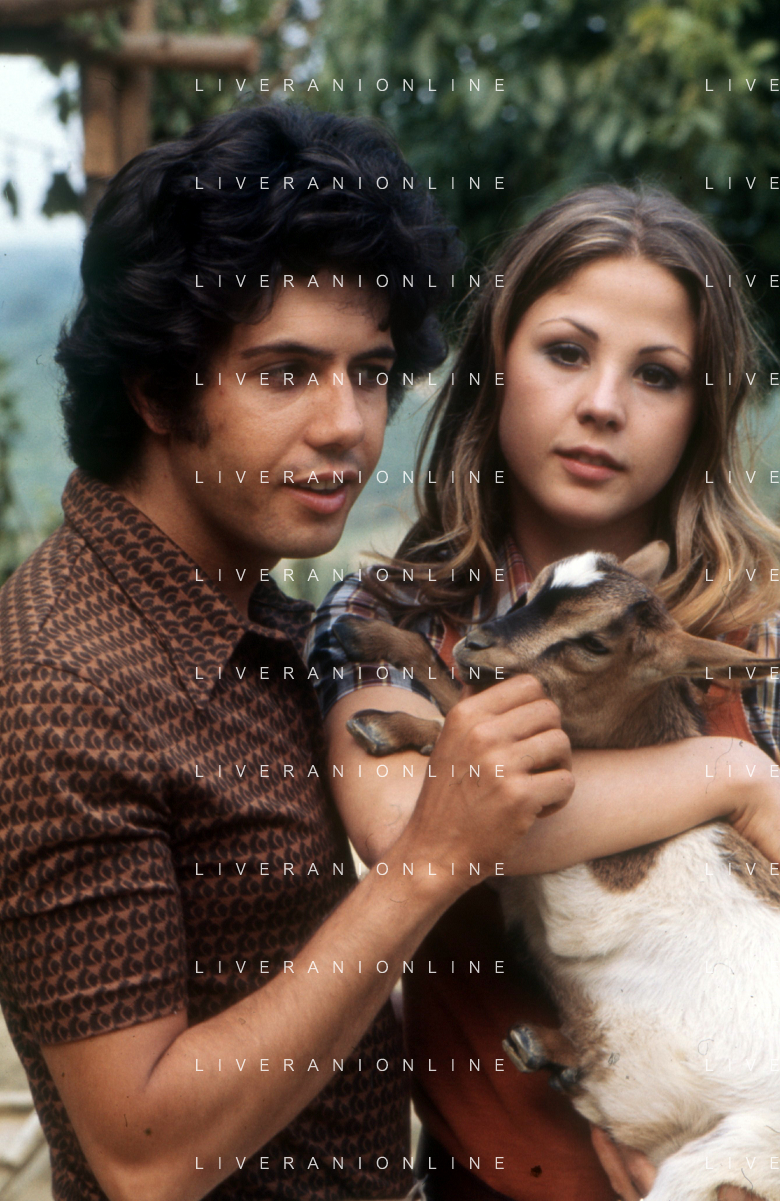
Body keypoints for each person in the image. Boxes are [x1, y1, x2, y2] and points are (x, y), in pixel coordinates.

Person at [0, 102, 587, 1201]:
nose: (347, 425)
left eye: (370, 371)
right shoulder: (63, 680)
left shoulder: (241, 614)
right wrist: (427, 862)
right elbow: (144, 1156)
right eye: (285, 371)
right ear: (159, 388)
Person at [309, 183, 780, 1201]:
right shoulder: (391, 614)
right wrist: (732, 777)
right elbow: (407, 818)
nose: (604, 404)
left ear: (702, 409)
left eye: (657, 373)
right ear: (496, 364)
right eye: (567, 352)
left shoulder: (761, 630)